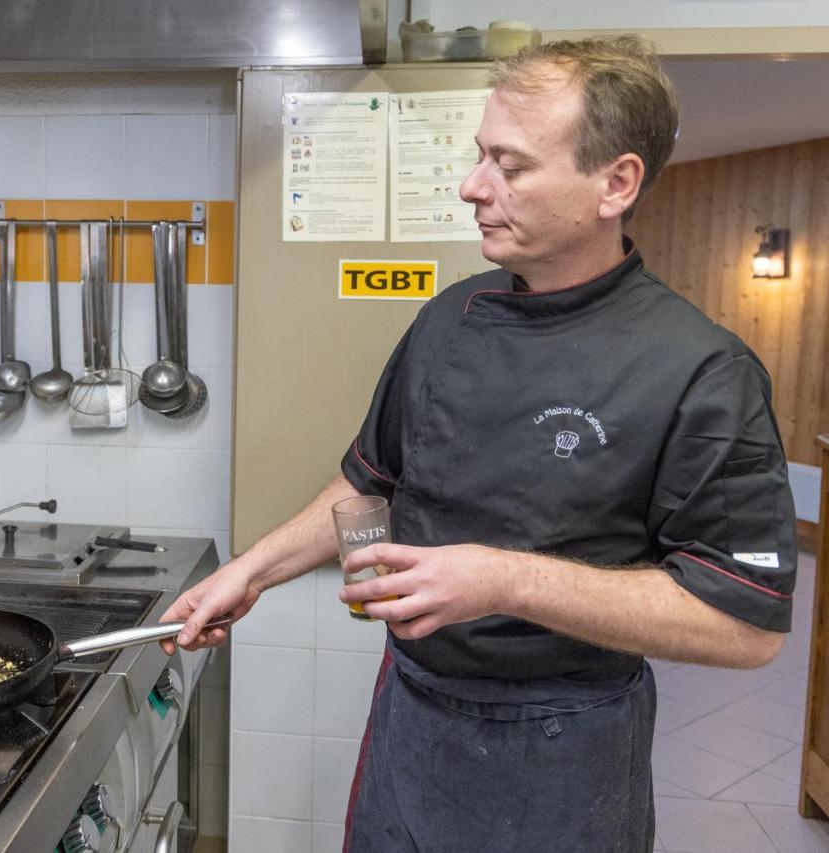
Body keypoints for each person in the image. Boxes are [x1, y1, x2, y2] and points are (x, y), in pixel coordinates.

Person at [160, 35, 798, 852]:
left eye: (511, 164)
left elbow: (745, 625)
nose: (472, 187)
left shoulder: (700, 370)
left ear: (617, 182)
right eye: (479, 157)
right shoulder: (448, 317)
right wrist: (249, 573)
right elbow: (368, 487)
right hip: (411, 718)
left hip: (564, 751)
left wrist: (503, 579)